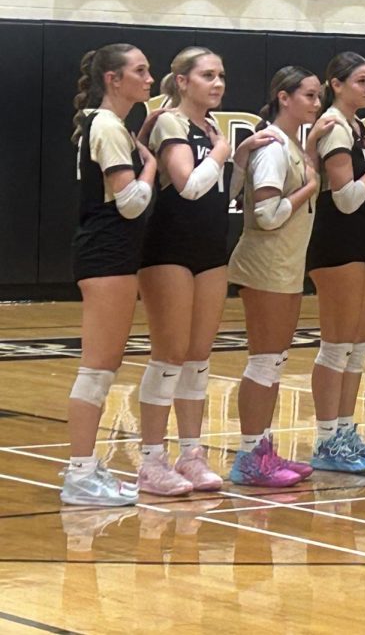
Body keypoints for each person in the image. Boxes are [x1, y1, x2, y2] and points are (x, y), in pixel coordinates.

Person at [137, 47, 239, 496]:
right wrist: (221, 151)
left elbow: (219, 190)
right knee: (170, 354)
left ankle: (192, 454)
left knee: (198, 356)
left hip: (210, 249)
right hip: (169, 249)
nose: (216, 83)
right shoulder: (168, 123)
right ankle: (150, 460)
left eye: (221, 75)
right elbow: (189, 185)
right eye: (207, 75)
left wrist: (240, 153)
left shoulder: (211, 127)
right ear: (182, 81)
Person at [227, 66, 334, 486]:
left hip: (285, 265)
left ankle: (262, 448)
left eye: (318, 96)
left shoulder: (291, 144)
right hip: (265, 264)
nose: (316, 103)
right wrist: (311, 186)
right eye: (308, 95)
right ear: (283, 97)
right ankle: (250, 455)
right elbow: (266, 215)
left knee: (275, 361)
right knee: (264, 361)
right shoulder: (273, 146)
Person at [61, 44, 157, 506]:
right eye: (140, 71)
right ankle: (79, 473)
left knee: (104, 366)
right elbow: (132, 201)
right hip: (106, 255)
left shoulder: (111, 126)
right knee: (97, 369)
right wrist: (154, 164)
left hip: (112, 255)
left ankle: (86, 466)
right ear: (113, 80)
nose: (150, 78)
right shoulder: (104, 125)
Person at [306, 53, 365, 472]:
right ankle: (325, 442)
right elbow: (346, 198)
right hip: (335, 245)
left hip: (362, 243)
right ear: (335, 84)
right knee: (336, 346)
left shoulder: (355, 128)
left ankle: (345, 433)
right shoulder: (333, 128)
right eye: (361, 81)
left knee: (359, 345)